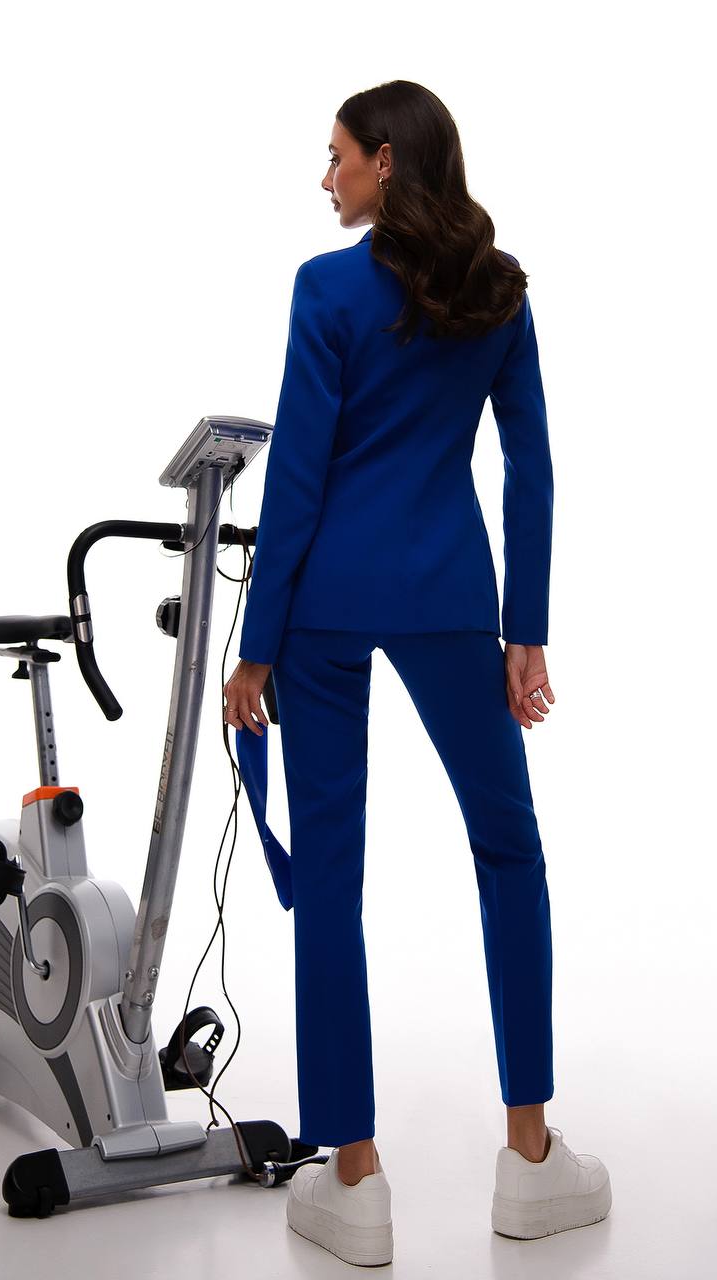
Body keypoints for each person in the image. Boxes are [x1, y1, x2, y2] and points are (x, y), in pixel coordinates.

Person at [223, 80, 611, 1266]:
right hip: (449, 599)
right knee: (510, 850)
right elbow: (530, 468)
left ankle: (355, 1177)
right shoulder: (497, 291)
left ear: (386, 161)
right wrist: (524, 624)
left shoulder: (325, 287)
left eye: (335, 156)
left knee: (330, 876)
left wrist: (256, 643)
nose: (323, 176)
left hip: (331, 606)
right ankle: (531, 1158)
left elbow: (297, 479)